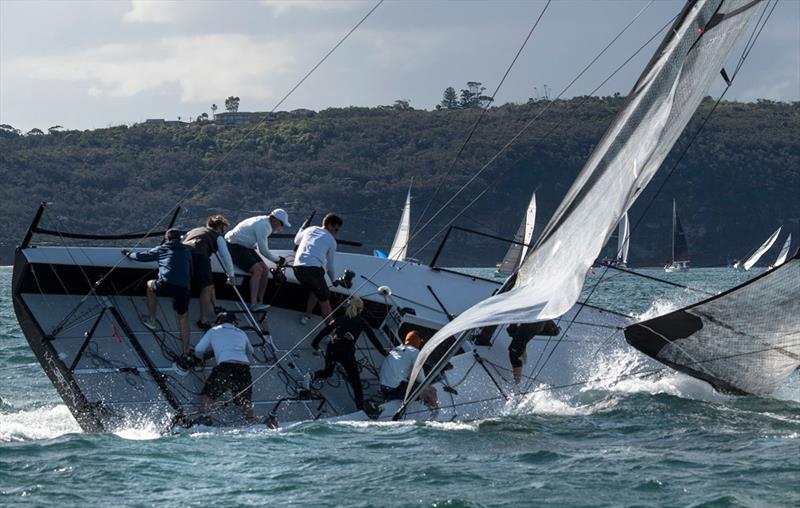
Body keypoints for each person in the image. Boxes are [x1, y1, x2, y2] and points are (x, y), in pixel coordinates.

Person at [311, 296, 388, 411]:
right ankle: (360, 406)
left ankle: (312, 376)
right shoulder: (362, 322)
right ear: (360, 309)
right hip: (346, 354)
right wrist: (384, 353)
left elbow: (326, 330)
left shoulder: (341, 318)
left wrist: (315, 343)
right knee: (355, 381)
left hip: (332, 349)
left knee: (328, 372)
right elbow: (373, 338)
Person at [123, 229, 193, 354]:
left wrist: (128, 254)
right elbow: (190, 270)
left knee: (150, 285)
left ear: (167, 239)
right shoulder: (187, 251)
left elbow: (141, 257)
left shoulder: (162, 249)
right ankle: (186, 350)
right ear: (180, 239)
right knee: (183, 317)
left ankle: (152, 320)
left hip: (165, 284)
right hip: (184, 288)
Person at [225, 209, 291, 311]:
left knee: (265, 270)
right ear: (274, 219)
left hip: (245, 245)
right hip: (233, 244)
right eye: (281, 223)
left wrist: (277, 260)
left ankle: (260, 301)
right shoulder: (264, 226)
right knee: (258, 270)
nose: (281, 226)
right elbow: (263, 250)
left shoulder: (265, 222)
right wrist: (278, 260)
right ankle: (253, 304)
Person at [194, 312, 255, 420]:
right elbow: (251, 351)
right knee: (246, 400)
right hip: (243, 367)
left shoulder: (213, 330)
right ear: (234, 322)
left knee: (207, 394)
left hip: (225, 366)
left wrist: (200, 358)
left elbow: (199, 349)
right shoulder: (241, 332)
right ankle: (250, 419)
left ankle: (205, 417)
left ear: (218, 322)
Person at [183, 215, 237, 330]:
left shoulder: (194, 231)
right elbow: (226, 256)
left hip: (184, 257)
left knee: (209, 282)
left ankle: (216, 306)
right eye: (224, 229)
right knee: (206, 287)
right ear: (220, 228)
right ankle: (203, 320)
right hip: (200, 258)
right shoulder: (217, 237)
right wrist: (231, 275)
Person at [294, 212, 342, 325]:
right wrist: (334, 280)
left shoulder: (310, 229)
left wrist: (302, 228)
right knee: (325, 301)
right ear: (330, 225)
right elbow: (329, 266)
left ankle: (307, 314)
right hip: (312, 270)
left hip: (297, 269)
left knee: (316, 289)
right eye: (336, 230)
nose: (336, 233)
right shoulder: (331, 241)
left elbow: (296, 241)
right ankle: (332, 334)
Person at [380, 330, 438, 408]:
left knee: (415, 385)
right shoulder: (415, 352)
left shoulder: (398, 348)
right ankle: (434, 409)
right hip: (393, 390)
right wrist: (428, 386)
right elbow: (420, 376)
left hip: (384, 387)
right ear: (418, 342)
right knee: (427, 390)